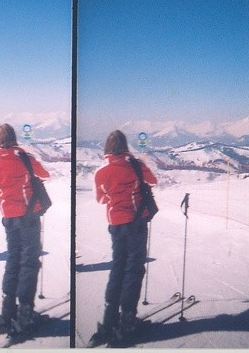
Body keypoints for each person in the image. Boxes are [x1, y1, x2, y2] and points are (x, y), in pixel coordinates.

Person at [89, 130, 157, 347]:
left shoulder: (101, 171)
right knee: (134, 268)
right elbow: (153, 181)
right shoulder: (135, 166)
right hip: (137, 222)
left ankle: (109, 319)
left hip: (116, 223)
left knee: (118, 267)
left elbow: (100, 199)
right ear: (125, 145)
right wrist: (141, 166)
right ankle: (127, 319)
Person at [0, 123, 51, 337]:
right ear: (14, 139)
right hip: (29, 216)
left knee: (13, 259)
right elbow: (45, 175)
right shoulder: (26, 160)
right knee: (29, 261)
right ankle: (25, 313)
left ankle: (7, 311)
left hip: (9, 217)